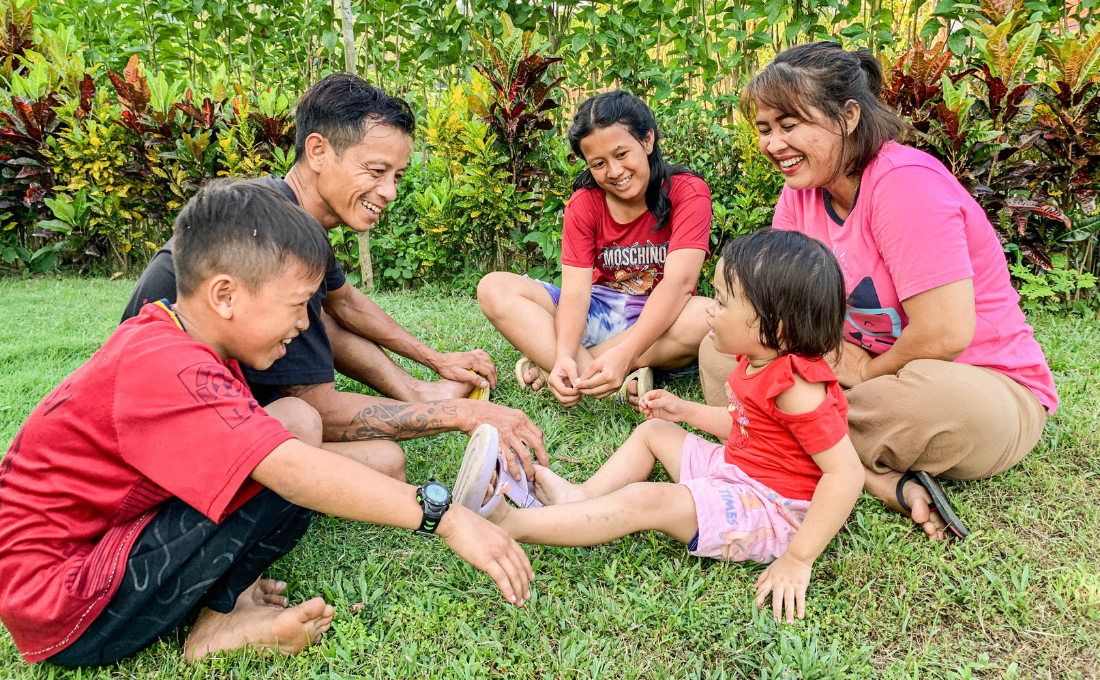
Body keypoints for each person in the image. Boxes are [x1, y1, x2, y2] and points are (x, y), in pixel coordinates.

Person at [0, 181, 532, 667]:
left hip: (84, 558)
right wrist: (444, 516)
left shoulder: (171, 334)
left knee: (296, 423)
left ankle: (227, 599)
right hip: (66, 603)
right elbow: (294, 471)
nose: (305, 323)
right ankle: (218, 623)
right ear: (225, 295)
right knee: (287, 460)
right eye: (298, 305)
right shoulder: (169, 367)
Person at [700, 41, 1058, 540]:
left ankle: (782, 440)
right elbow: (778, 309)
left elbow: (944, 333)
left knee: (925, 405)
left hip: (970, 381)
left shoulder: (904, 183)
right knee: (722, 350)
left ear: (848, 116)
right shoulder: (800, 193)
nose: (774, 143)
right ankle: (866, 475)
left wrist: (865, 371)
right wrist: (826, 362)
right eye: (765, 129)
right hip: (845, 368)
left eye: (789, 125)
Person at [122, 73, 547, 484]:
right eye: (376, 171)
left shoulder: (285, 211)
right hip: (168, 429)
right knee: (383, 461)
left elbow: (343, 303)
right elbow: (317, 408)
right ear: (318, 152)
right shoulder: (276, 242)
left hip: (206, 398)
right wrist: (460, 415)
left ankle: (415, 391)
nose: (390, 192)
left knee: (323, 325)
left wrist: (434, 361)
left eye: (396, 177)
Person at [458, 231, 864, 623]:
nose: (710, 309)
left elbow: (845, 474)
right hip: (740, 470)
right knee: (654, 433)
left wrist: (798, 559)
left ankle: (511, 524)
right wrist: (684, 410)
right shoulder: (757, 360)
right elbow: (747, 426)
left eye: (722, 302)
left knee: (647, 500)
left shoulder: (798, 388)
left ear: (771, 326)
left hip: (774, 510)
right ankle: (579, 496)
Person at [478, 90, 713, 408]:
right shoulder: (584, 203)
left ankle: (570, 370)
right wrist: (564, 354)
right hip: (598, 311)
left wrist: (625, 352)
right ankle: (600, 374)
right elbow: (575, 294)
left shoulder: (687, 192)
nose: (615, 172)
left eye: (621, 154)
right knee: (494, 288)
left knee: (705, 316)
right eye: (599, 164)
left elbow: (679, 284)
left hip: (661, 321)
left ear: (647, 140)